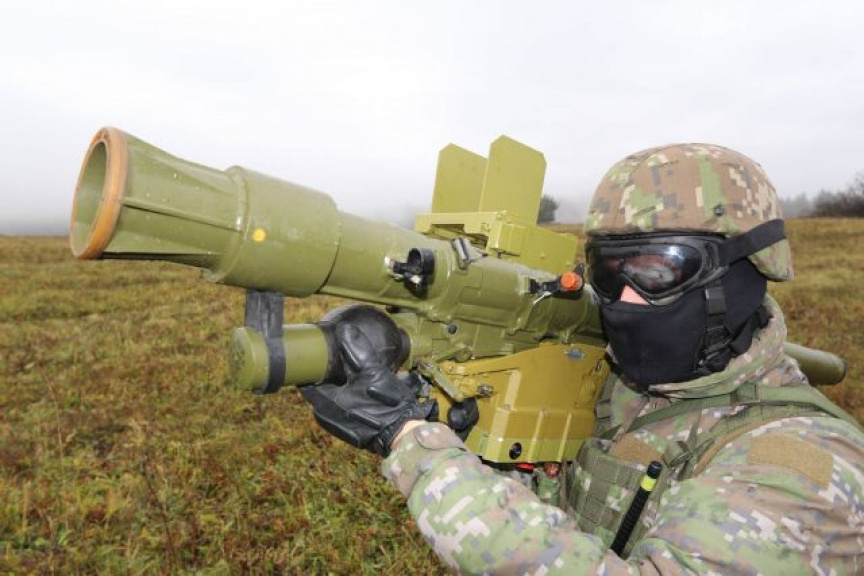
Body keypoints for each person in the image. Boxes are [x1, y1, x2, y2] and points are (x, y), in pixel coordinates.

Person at [301, 144, 864, 574]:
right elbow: (585, 512)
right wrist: (485, 449)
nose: (625, 301)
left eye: (656, 271)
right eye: (608, 273)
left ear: (745, 271)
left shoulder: (806, 467)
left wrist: (417, 447)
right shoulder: (629, 387)